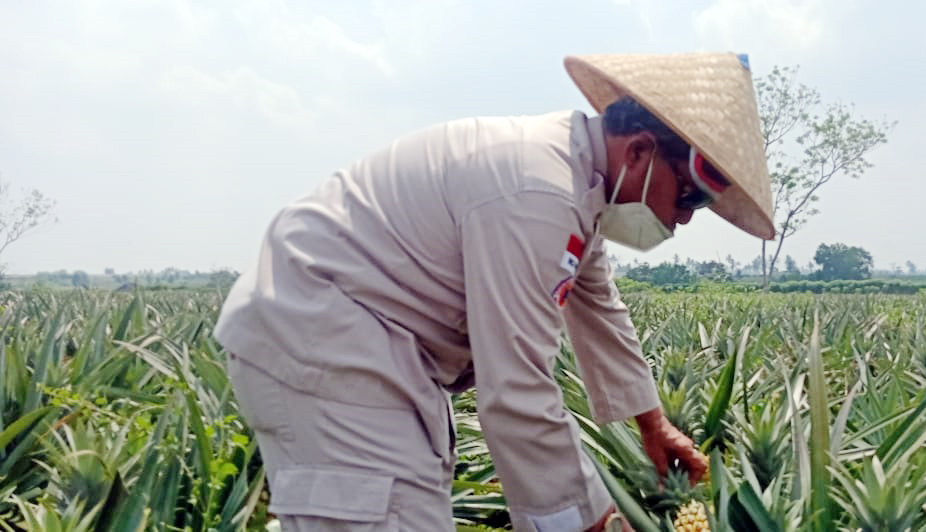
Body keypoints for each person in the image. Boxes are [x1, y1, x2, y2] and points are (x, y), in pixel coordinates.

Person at [214, 52, 775, 532]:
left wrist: (653, 424)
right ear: (638, 152)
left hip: (361, 344)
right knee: (391, 514)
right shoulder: (537, 191)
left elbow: (599, 307)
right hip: (328, 342)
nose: (683, 221)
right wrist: (590, 521)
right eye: (690, 197)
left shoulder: (577, 186)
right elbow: (517, 392)